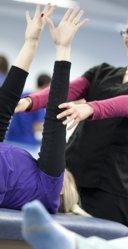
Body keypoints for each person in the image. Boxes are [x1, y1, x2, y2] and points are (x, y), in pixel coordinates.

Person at [15, 6, 128, 227]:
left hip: (111, 187)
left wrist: (90, 108)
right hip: (71, 175)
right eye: (127, 32)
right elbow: (67, 90)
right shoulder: (102, 72)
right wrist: (29, 101)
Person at [0, 4, 89, 215]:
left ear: (62, 194)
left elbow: (54, 117)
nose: (65, 172)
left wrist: (63, 49)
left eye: (68, 178)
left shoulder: (49, 188)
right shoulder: (40, 181)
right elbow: (6, 104)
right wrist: (31, 42)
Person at [6, 73, 51, 147]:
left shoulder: (23, 95)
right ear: (45, 85)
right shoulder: (39, 102)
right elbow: (36, 127)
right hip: (27, 143)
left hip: (11, 138)